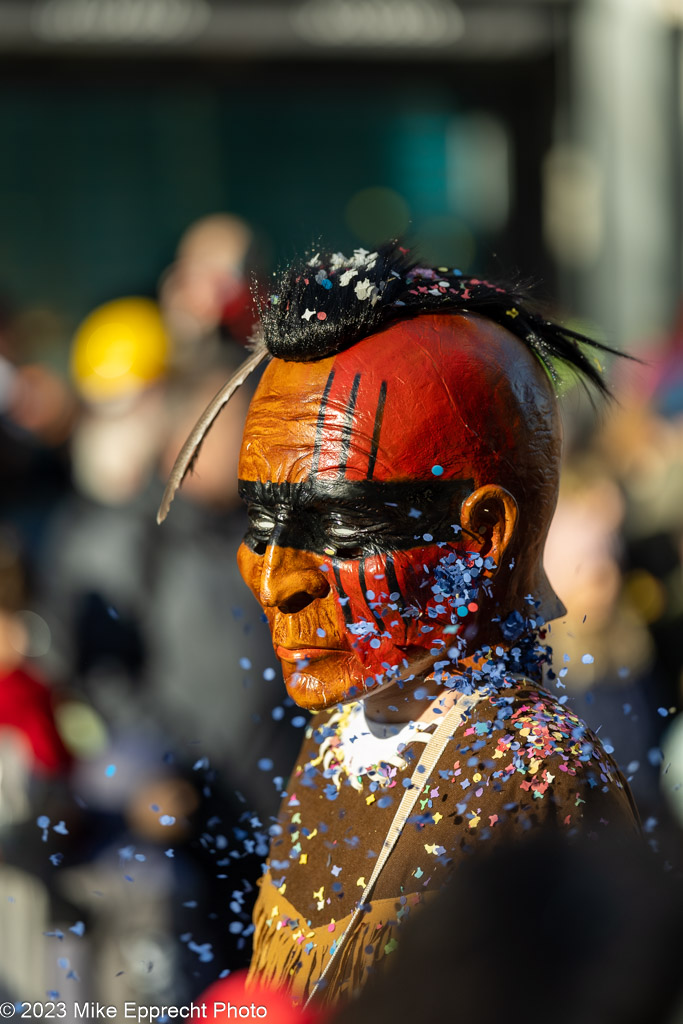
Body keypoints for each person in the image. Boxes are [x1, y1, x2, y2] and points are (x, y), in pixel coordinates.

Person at [158, 243, 640, 1009]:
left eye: (343, 532)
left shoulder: (530, 775)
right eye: (260, 524)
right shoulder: (337, 732)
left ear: (483, 534)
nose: (279, 579)